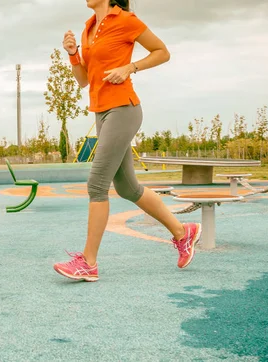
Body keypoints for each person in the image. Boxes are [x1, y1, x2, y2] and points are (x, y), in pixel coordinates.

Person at [53, 0, 202, 282]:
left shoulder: (126, 20)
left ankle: (88, 263)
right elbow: (84, 81)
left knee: (97, 184)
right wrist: (73, 54)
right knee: (127, 187)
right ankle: (184, 233)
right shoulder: (88, 28)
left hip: (124, 108)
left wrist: (130, 67)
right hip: (101, 112)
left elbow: (162, 52)